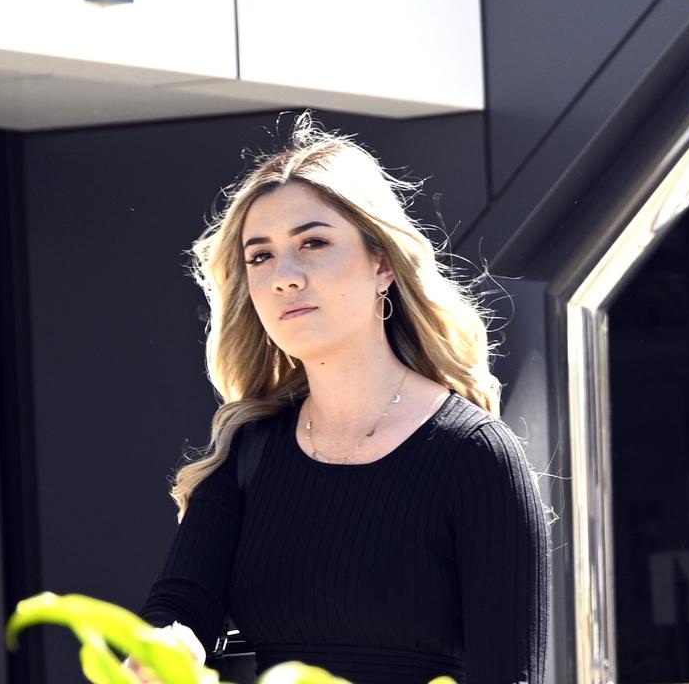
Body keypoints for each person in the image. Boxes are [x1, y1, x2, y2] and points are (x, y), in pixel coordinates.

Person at [131, 112, 551, 684]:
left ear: (382, 264)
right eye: (261, 256)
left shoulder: (476, 456)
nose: (285, 275)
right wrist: (167, 646)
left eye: (314, 243)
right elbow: (182, 605)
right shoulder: (248, 454)